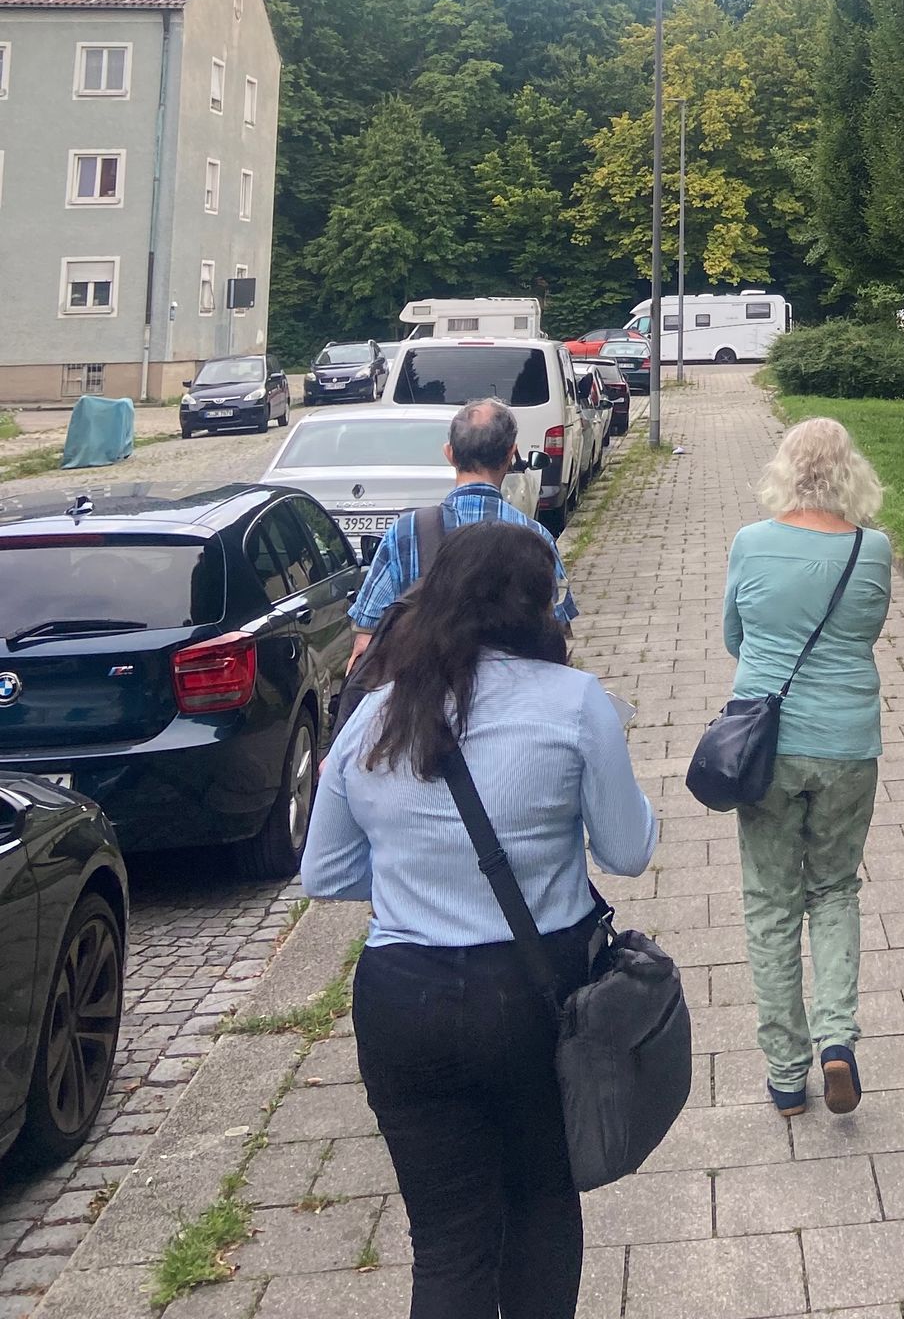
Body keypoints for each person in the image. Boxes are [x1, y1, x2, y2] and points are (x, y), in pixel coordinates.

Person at [303, 520, 655, 1319]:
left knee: (447, 1243)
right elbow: (627, 851)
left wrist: (417, 878)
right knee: (541, 1205)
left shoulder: (378, 715)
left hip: (401, 1001)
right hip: (534, 993)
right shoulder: (575, 703)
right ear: (538, 606)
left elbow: (323, 872)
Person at [723, 415, 893, 1117]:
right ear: (850, 473)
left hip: (764, 747)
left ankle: (787, 1076)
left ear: (786, 472)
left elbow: (734, 637)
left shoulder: (750, 543)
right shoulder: (872, 551)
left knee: (771, 901)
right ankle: (837, 1041)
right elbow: (867, 633)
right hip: (849, 744)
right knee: (834, 889)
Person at [347, 396, 574, 670]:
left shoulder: (405, 533)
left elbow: (366, 637)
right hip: (516, 692)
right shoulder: (535, 537)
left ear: (450, 454)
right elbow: (558, 634)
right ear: (510, 454)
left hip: (422, 691)